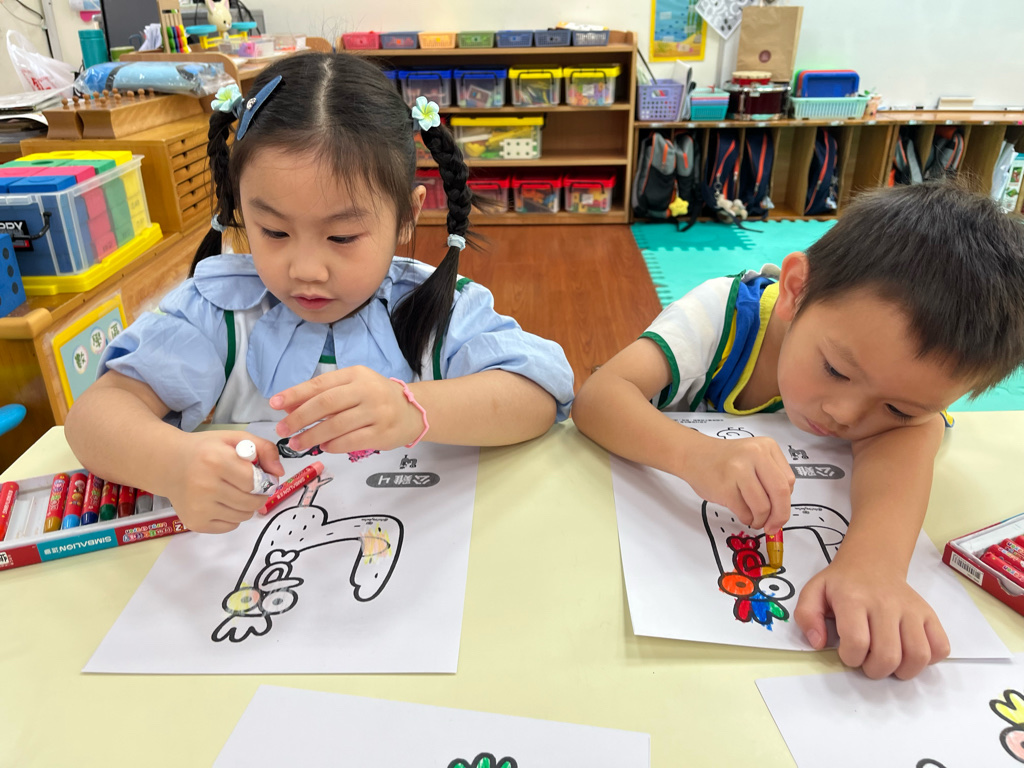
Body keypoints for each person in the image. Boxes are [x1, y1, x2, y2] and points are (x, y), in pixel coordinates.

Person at [65, 53, 573, 534]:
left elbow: (539, 395)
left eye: (342, 237)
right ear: (240, 208)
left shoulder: (437, 308)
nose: (306, 270)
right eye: (274, 232)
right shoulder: (218, 312)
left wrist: (411, 409)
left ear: (408, 216)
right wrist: (172, 463)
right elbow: (96, 417)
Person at [572, 182, 1024, 680]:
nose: (844, 414)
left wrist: (875, 565)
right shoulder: (718, 316)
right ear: (795, 289)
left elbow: (916, 437)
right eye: (836, 370)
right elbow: (599, 397)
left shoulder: (904, 402)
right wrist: (696, 456)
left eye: (897, 408)